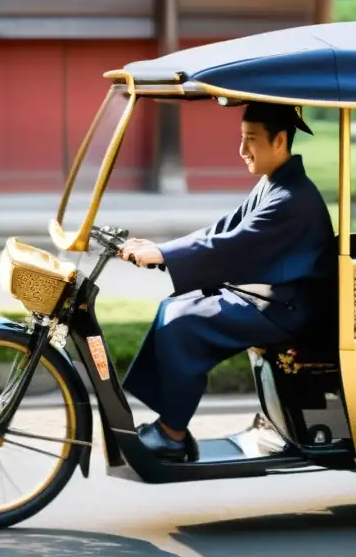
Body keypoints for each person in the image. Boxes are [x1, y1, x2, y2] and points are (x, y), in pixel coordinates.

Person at [118, 102, 336, 462]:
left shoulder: (292, 198)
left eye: (250, 139)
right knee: (173, 307)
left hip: (284, 308)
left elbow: (233, 244)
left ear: (280, 140)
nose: (242, 150)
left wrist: (166, 254)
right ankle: (169, 422)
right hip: (267, 297)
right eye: (241, 138)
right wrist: (163, 251)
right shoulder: (276, 184)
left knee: (183, 323)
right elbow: (223, 229)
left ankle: (172, 434)